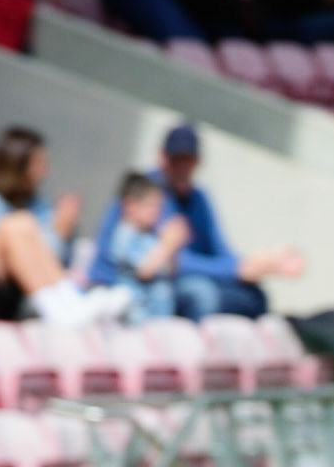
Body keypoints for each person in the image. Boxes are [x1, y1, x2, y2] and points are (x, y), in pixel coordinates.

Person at [91, 124, 303, 320]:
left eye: (188, 160)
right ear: (162, 158)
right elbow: (168, 264)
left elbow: (220, 251)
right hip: (130, 286)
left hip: (172, 280)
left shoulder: (199, 198)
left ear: (197, 162)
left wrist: (252, 264)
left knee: (256, 297)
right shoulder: (149, 192)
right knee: (202, 295)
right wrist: (238, 267)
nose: (182, 167)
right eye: (176, 160)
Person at [0, 125, 129, 326]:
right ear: (19, 165)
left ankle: (70, 303)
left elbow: (53, 264)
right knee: (14, 226)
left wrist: (64, 232)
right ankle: (66, 310)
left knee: (21, 222)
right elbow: (15, 262)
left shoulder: (38, 206)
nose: (46, 170)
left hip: (18, 297)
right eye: (40, 163)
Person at [104, 171, 189, 322]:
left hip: (160, 308)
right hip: (136, 310)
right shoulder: (125, 234)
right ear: (130, 205)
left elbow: (171, 271)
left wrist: (174, 249)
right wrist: (168, 245)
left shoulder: (153, 236)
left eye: (159, 207)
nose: (156, 212)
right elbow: (144, 271)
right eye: (150, 205)